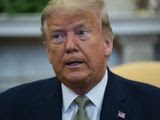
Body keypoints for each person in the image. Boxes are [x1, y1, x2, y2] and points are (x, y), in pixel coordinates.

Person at [0, 0, 160, 120]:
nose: (70, 46)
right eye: (58, 36)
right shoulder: (10, 107)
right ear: (48, 51)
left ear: (107, 43)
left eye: (82, 32)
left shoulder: (153, 105)